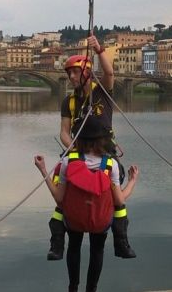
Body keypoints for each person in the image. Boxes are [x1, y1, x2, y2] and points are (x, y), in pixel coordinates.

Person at [45, 35, 137, 261]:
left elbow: (110, 73)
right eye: (69, 73)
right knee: (61, 186)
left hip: (104, 150)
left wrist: (99, 50)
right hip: (80, 150)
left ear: (86, 72)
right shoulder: (69, 101)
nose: (71, 77)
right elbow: (64, 132)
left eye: (75, 72)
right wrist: (73, 149)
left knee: (116, 198)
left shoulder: (102, 92)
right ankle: (57, 242)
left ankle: (121, 240)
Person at [35, 125, 139, 292]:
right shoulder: (110, 164)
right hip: (100, 221)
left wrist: (43, 170)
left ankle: (73, 288)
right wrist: (133, 180)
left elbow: (59, 198)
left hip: (74, 219)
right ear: (105, 140)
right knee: (97, 250)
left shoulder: (67, 162)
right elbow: (119, 200)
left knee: (74, 247)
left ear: (79, 140)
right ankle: (92, 289)